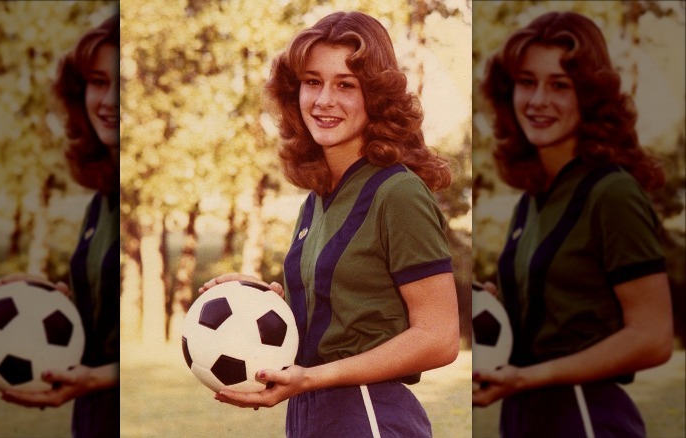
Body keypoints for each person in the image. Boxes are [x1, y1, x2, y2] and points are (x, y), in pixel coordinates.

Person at [200, 11, 459, 437]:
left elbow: (440, 337)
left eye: (346, 85)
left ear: (375, 96)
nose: (323, 101)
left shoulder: (398, 193)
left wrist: (314, 378)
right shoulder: (318, 198)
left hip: (367, 413)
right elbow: (335, 324)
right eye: (313, 81)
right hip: (309, 415)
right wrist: (255, 303)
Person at [472, 11, 673, 438]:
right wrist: (500, 310)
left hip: (584, 416)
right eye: (527, 82)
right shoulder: (532, 201)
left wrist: (529, 377)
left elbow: (653, 337)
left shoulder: (612, 193)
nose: (538, 100)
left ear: (590, 96)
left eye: (559, 85)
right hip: (524, 415)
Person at [0, 13, 120, 438]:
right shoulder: (100, 204)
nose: (110, 101)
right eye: (99, 81)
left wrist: (102, 378)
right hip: (91, 414)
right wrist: (48, 301)